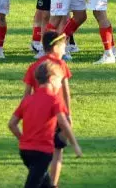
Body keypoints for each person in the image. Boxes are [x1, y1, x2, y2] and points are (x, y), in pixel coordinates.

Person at [8, 60, 83, 188]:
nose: (60, 84)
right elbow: (64, 123)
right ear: (52, 79)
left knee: (46, 184)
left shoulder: (27, 100)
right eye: (60, 80)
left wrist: (23, 139)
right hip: (42, 152)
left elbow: (12, 124)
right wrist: (75, 145)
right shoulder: (55, 100)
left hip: (25, 151)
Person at [22, 31, 73, 187]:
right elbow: (65, 91)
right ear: (55, 46)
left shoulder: (33, 66)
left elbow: (26, 94)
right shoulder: (60, 65)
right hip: (57, 113)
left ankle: (42, 180)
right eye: (63, 44)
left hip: (38, 116)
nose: (65, 47)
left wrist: (26, 114)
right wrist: (68, 114)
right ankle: (53, 184)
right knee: (57, 151)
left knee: (38, 151)